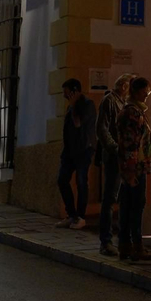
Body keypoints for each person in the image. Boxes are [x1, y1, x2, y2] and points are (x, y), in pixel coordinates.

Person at [115, 76, 151, 261]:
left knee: (127, 205)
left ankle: (125, 245)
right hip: (135, 167)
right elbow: (131, 143)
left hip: (129, 166)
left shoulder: (130, 110)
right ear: (139, 91)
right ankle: (135, 246)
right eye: (146, 91)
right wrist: (131, 171)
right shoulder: (133, 113)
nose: (148, 94)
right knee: (135, 206)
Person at [94, 73, 132, 256]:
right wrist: (114, 148)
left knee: (120, 198)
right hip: (114, 157)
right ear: (124, 86)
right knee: (109, 198)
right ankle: (106, 241)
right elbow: (101, 128)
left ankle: (122, 238)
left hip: (123, 156)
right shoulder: (110, 101)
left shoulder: (123, 104)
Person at [56, 78, 98, 230]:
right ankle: (71, 215)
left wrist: (73, 105)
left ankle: (80, 217)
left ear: (75, 91)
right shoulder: (70, 107)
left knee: (81, 182)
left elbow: (78, 123)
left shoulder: (88, 105)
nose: (64, 96)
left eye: (66, 93)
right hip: (69, 151)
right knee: (62, 180)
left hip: (83, 150)